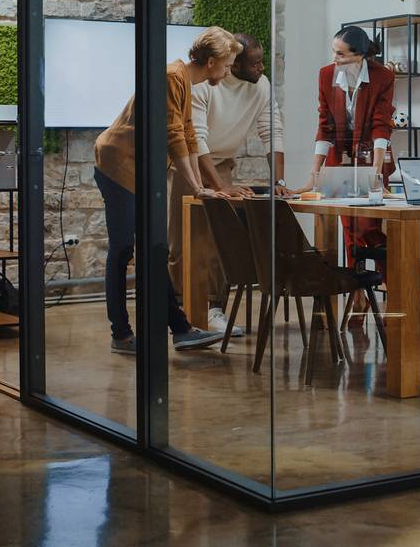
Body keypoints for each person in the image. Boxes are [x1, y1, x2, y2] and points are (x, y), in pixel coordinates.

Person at [93, 26, 239, 354]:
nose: (229, 72)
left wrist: (207, 185)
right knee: (122, 250)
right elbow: (174, 136)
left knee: (154, 248)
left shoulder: (185, 81)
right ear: (212, 61)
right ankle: (122, 335)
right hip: (118, 164)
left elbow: (187, 133)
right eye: (228, 65)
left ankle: (181, 329)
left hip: (139, 169)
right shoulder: (173, 76)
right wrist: (198, 187)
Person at [169, 33, 289, 337]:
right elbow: (195, 138)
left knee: (220, 240)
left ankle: (212, 309)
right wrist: (215, 185)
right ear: (233, 65)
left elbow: (271, 130)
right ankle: (180, 312)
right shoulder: (205, 86)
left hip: (222, 163)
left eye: (262, 61)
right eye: (254, 63)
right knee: (186, 240)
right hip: (191, 162)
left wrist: (278, 180)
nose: (261, 68)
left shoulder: (260, 86)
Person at [295, 25, 395, 270]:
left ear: (359, 55)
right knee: (349, 225)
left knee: (368, 226)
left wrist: (375, 172)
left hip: (373, 157)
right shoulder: (326, 74)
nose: (334, 59)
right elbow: (325, 125)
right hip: (340, 159)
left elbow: (381, 125)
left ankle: (390, 282)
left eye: (340, 54)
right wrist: (314, 175)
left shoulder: (382, 76)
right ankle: (357, 289)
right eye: (333, 52)